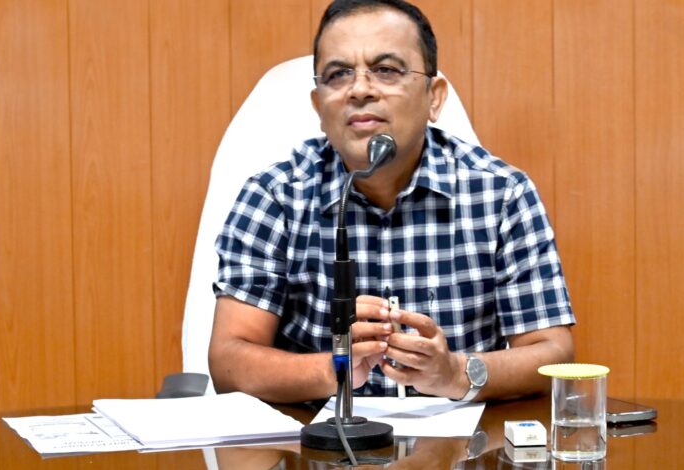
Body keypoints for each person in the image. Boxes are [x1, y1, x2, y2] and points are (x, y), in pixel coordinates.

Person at [209, 0, 575, 403]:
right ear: (318, 107)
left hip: (458, 438)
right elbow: (228, 361)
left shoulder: (501, 193)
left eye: (386, 70)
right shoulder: (275, 196)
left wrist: (456, 372)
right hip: (317, 437)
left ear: (434, 97)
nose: (360, 90)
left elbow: (552, 353)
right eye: (338, 74)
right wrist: (335, 368)